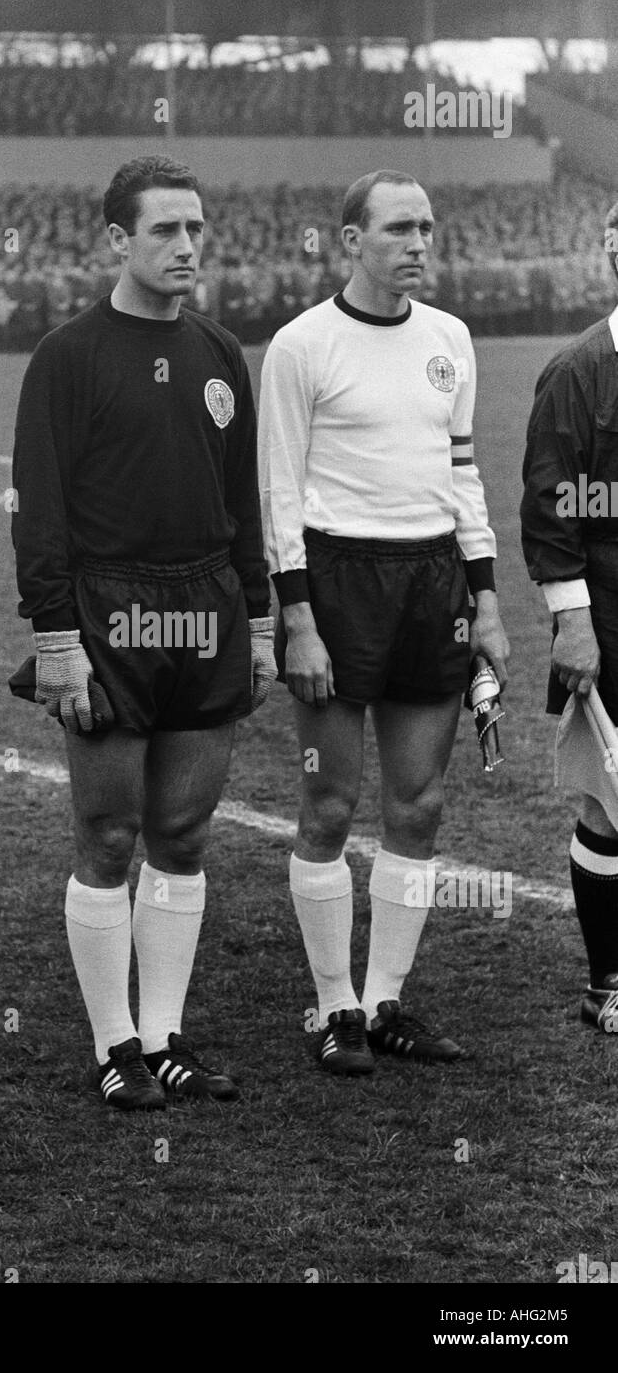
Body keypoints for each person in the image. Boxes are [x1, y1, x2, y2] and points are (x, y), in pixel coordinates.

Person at [11, 154, 276, 1110]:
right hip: (108, 612)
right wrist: (55, 637)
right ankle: (111, 1042)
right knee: (111, 833)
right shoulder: (66, 355)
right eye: (165, 230)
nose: (186, 246)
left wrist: (254, 620)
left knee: (183, 832)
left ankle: (164, 1036)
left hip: (206, 607)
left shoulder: (219, 351)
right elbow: (38, 513)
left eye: (196, 229)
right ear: (118, 239)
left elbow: (241, 499)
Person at [258, 169, 509, 1076]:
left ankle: (385, 1000)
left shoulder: (451, 339)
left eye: (428, 230)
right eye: (399, 229)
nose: (418, 245)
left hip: (430, 583)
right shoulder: (301, 346)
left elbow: (465, 473)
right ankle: (334, 1008)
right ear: (349, 239)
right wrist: (300, 620)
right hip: (336, 583)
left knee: (421, 802)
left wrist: (483, 599)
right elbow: (279, 493)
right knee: (328, 804)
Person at [521, 198, 618, 1036]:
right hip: (609, 612)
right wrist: (572, 624)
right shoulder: (578, 371)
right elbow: (552, 514)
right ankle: (608, 982)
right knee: (606, 801)